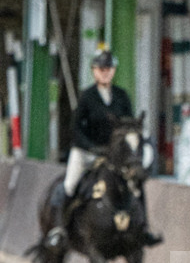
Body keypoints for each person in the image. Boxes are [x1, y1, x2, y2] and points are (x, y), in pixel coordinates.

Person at [46, 48, 162, 248]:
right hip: (87, 151)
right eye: (101, 69)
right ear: (94, 71)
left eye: (108, 69)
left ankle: (144, 228)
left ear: (113, 71)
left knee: (135, 183)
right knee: (70, 184)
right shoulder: (87, 96)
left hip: (114, 155)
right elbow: (75, 128)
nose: (105, 72)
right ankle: (60, 229)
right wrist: (90, 147)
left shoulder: (121, 96)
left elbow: (128, 125)